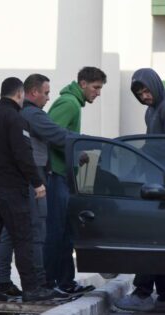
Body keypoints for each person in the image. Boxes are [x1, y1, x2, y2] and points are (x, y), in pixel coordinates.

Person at [0, 74, 79, 299]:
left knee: (1, 236)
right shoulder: (25, 116)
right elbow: (26, 153)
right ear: (24, 93)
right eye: (46, 92)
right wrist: (37, 182)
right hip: (21, 183)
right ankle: (36, 286)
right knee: (30, 234)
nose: (48, 97)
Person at [115, 68, 165, 312]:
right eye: (139, 93)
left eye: (146, 90)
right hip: (156, 182)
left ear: (155, 85)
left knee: (150, 237)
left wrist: (144, 154)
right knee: (156, 239)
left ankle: (143, 293)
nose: (144, 96)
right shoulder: (152, 110)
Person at [0, 77, 54, 302]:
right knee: (23, 238)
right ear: (19, 95)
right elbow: (23, 156)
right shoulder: (16, 119)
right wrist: (37, 183)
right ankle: (31, 289)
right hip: (11, 189)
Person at [45, 67, 107, 293]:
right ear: (82, 83)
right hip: (57, 176)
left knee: (65, 232)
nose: (98, 93)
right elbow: (50, 134)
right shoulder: (69, 103)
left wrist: (76, 153)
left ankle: (64, 283)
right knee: (57, 232)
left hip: (63, 175)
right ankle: (49, 283)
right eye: (95, 87)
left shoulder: (73, 103)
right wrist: (75, 152)